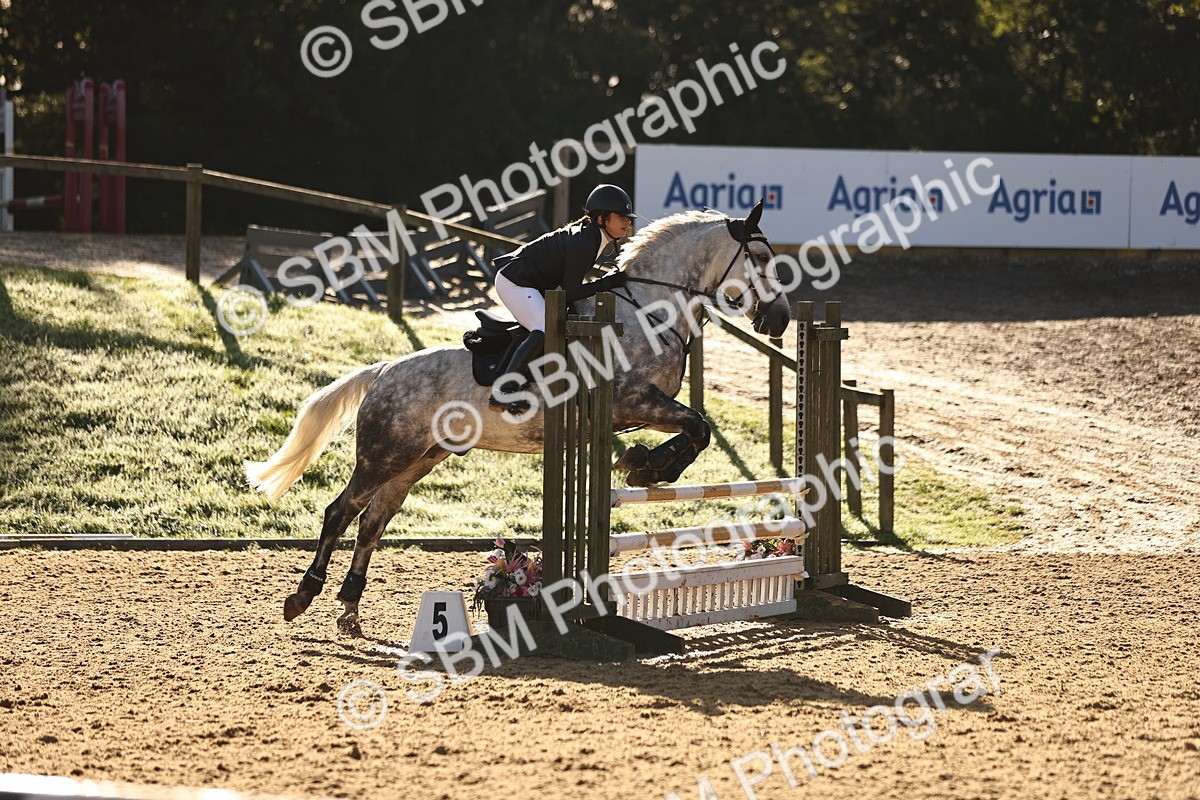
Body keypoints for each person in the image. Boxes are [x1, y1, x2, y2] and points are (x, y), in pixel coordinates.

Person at [488, 184, 635, 411]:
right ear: (600, 218)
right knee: (546, 327)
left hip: (530, 283)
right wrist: (608, 282)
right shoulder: (585, 242)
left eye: (628, 217)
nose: (628, 222)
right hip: (514, 282)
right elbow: (571, 293)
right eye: (621, 217)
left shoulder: (593, 236)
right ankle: (503, 391)